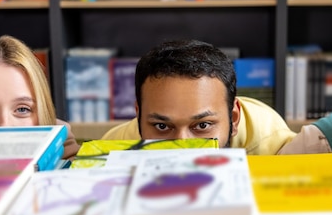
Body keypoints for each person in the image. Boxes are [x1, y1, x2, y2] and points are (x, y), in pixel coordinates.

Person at [101, 39, 296, 155]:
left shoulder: (274, 144)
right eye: (162, 127)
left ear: (234, 119)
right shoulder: (112, 148)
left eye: (202, 125)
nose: (182, 148)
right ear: (139, 115)